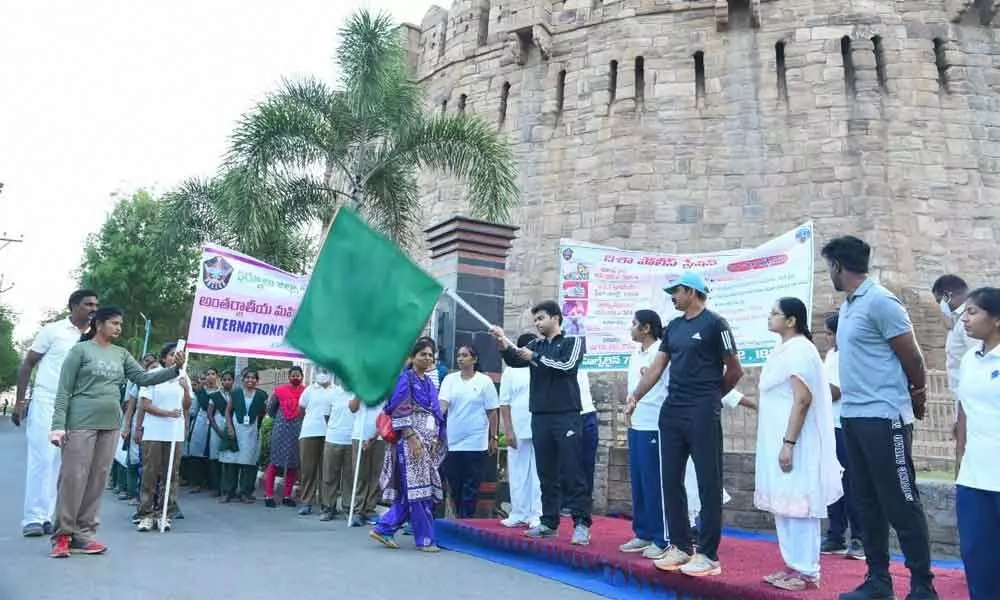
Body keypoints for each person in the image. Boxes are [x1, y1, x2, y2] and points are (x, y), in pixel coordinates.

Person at [821, 235, 936, 600]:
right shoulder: (851, 306)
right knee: (866, 502)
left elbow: (912, 356)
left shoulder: (881, 301)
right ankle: (877, 581)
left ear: (838, 265)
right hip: (854, 417)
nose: (830, 275)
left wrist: (917, 394)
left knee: (901, 500)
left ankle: (922, 585)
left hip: (884, 418)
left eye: (829, 268)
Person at [627, 271, 744, 577]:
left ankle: (708, 555)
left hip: (702, 411)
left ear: (692, 292)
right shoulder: (675, 327)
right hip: (672, 412)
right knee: (671, 481)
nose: (672, 297)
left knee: (708, 482)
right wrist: (635, 396)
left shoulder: (715, 324)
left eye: (676, 291)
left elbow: (735, 370)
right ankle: (680, 547)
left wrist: (711, 396)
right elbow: (656, 367)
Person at [48, 306, 187, 558]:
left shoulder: (121, 354)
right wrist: (58, 425)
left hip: (109, 424)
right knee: (73, 478)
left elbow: (143, 379)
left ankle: (83, 534)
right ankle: (62, 535)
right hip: (80, 422)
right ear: (98, 324)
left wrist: (174, 370)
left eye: (120, 324)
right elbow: (63, 390)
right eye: (114, 323)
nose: (119, 328)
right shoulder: (80, 351)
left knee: (97, 479)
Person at [755, 298, 843, 591]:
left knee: (800, 504)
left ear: (792, 320)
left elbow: (803, 399)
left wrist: (789, 442)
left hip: (797, 440)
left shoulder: (801, 350)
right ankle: (792, 565)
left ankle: (808, 571)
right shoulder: (784, 350)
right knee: (784, 503)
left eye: (775, 313)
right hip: (778, 439)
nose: (770, 317)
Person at [489, 300, 592, 546]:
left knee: (571, 470)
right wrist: (503, 343)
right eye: (535, 320)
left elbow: (566, 366)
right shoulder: (535, 344)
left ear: (556, 318)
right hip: (540, 415)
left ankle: (581, 524)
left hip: (566, 414)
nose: (537, 323)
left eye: (541, 318)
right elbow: (514, 360)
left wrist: (536, 357)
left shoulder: (573, 343)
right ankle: (548, 522)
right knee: (546, 472)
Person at [14, 289, 99, 538]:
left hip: (76, 406)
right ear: (73, 306)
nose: (93, 308)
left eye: (96, 304)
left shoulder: (94, 337)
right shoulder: (53, 331)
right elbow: (28, 363)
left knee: (61, 463)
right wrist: (21, 401)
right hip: (47, 400)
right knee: (42, 457)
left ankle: (47, 516)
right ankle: (32, 518)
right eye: (88, 304)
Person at [370, 337, 447, 552]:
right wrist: (411, 437)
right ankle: (425, 539)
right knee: (419, 491)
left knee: (415, 492)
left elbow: (436, 413)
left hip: (427, 442)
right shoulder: (406, 379)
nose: (428, 358)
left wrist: (437, 438)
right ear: (413, 357)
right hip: (411, 441)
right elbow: (399, 409)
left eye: (431, 355)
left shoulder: (429, 383)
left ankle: (384, 528)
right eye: (423, 354)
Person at [954, 287, 1000, 600]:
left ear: (996, 319)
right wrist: (960, 458)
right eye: (964, 313)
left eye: (973, 312)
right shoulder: (970, 358)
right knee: (977, 556)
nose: (964, 319)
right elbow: (963, 412)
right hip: (973, 476)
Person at [620, 310, 671, 560]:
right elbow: (633, 390)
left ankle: (662, 539)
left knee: (654, 483)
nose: (631, 328)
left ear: (647, 328)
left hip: (656, 424)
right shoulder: (635, 355)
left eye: (634, 324)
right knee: (639, 481)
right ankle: (643, 532)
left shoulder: (661, 352)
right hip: (637, 423)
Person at [821, 313, 865, 560]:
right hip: (830, 426)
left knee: (851, 484)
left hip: (845, 426)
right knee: (832, 482)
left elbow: (836, 391)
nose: (827, 337)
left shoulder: (849, 355)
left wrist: (812, 384)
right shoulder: (831, 355)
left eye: (830, 332)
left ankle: (859, 538)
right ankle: (835, 534)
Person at [135, 342, 192, 532]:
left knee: (171, 474)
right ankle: (145, 514)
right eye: (172, 354)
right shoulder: (152, 376)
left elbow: (186, 405)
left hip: (174, 433)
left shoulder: (184, 377)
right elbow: (145, 404)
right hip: (153, 431)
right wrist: (167, 414)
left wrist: (186, 389)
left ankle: (164, 513)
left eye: (179, 354)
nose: (175, 357)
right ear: (164, 358)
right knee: (150, 473)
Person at [439, 344, 499, 518]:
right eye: (459, 355)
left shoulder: (484, 381)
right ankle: (459, 516)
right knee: (455, 484)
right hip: (454, 440)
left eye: (465, 355)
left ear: (474, 359)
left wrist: (494, 437)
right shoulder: (450, 380)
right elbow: (442, 405)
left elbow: (492, 411)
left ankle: (467, 521)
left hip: (476, 440)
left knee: (471, 485)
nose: (460, 358)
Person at [930, 274, 977, 474]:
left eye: (938, 301)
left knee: (966, 451)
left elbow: (976, 361)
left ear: (947, 295)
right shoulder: (958, 321)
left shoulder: (968, 322)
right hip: (963, 397)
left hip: (971, 397)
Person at [498, 332, 542, 529]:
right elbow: (504, 403)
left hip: (540, 426)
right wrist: (508, 430)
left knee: (538, 473)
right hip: (517, 427)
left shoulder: (541, 368)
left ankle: (536, 514)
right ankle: (518, 512)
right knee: (517, 471)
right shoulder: (511, 372)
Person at [220, 369, 268, 503]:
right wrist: (229, 427)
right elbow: (228, 411)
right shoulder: (235, 393)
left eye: (253, 378)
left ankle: (245, 492)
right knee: (231, 461)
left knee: (249, 463)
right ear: (242, 379)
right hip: (236, 429)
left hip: (251, 431)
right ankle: (228, 492)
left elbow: (263, 413)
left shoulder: (261, 395)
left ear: (257, 381)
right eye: (247, 377)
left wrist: (258, 427)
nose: (250, 380)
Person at [263, 366, 306, 508]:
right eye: (293, 375)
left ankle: (287, 496)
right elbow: (271, 409)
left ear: (302, 377)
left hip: (297, 431)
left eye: (298, 375)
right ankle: (269, 495)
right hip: (281, 430)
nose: (295, 378)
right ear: (289, 377)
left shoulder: (306, 392)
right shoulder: (279, 391)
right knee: (275, 462)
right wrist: (282, 419)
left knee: (293, 465)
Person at [298, 368, 334, 516]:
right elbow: (301, 409)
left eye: (326, 371)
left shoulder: (336, 391)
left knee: (327, 471)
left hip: (330, 435)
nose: (322, 374)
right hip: (309, 432)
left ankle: (327, 505)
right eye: (320, 370)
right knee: (308, 470)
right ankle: (306, 502)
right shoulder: (309, 390)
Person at [348, 388, 386, 528]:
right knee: (360, 473)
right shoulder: (361, 386)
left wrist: (376, 435)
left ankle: (370, 508)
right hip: (360, 434)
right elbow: (352, 408)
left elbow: (387, 412)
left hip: (380, 436)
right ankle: (358, 509)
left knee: (377, 473)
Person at [320, 377, 355, 521]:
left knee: (350, 476)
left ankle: (347, 507)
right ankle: (328, 508)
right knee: (329, 475)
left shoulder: (358, 394)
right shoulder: (331, 394)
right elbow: (326, 416)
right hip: (333, 438)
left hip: (352, 439)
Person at [205, 370, 233, 498]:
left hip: (231, 427)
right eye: (224, 379)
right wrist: (217, 430)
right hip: (217, 427)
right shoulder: (215, 395)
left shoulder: (235, 394)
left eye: (229, 379)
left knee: (228, 457)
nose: (227, 382)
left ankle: (227, 487)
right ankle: (216, 487)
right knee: (215, 457)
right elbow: (210, 414)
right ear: (221, 381)